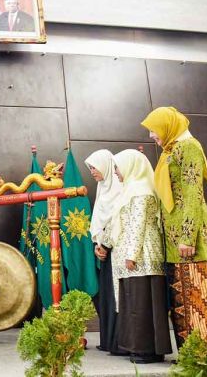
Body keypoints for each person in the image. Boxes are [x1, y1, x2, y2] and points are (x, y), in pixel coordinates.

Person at [141, 107, 207, 350]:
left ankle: (206, 353)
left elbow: (193, 194)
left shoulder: (189, 147)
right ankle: (189, 353)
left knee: (197, 293)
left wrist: (187, 237)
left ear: (168, 125)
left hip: (190, 236)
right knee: (181, 295)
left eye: (154, 130)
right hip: (174, 238)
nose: (152, 136)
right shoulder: (170, 151)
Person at [110, 149, 172, 364]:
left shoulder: (141, 191)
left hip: (141, 257)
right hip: (133, 257)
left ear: (130, 166)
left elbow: (137, 226)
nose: (116, 172)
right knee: (135, 304)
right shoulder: (130, 190)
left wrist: (131, 254)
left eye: (117, 167)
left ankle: (148, 350)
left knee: (142, 305)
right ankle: (140, 347)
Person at [84, 149, 124, 355]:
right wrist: (97, 244)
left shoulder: (120, 189)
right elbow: (98, 222)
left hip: (118, 252)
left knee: (118, 297)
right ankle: (108, 341)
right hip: (104, 251)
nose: (92, 171)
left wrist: (106, 244)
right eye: (90, 168)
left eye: (95, 167)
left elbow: (116, 222)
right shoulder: (102, 189)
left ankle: (118, 342)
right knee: (107, 295)